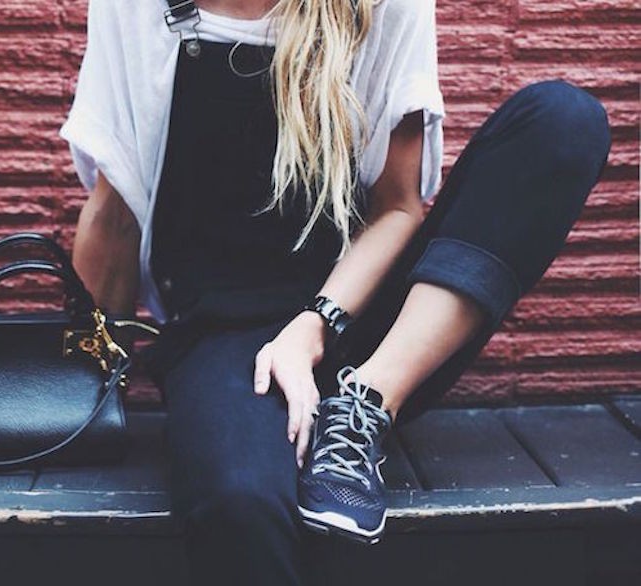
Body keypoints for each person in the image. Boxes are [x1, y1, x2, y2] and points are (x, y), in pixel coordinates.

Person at [61, 1, 611, 584]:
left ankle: (364, 408)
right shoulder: (135, 9)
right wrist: (76, 393)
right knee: (239, 503)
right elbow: (114, 214)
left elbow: (397, 209)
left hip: (380, 335)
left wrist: (314, 324)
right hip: (229, 344)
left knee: (563, 119)